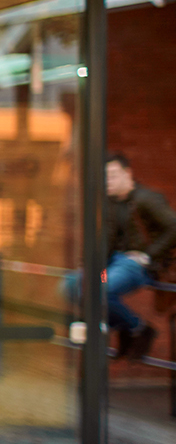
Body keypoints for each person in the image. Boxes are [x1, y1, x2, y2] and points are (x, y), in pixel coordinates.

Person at [67, 152, 176, 361]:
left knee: (100, 291)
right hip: (111, 266)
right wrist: (93, 267)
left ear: (128, 174)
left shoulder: (147, 199)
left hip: (137, 266)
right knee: (74, 286)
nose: (108, 181)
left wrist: (147, 255)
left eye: (113, 175)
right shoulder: (109, 203)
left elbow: (174, 228)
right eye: (104, 177)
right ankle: (129, 328)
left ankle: (139, 329)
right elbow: (106, 240)